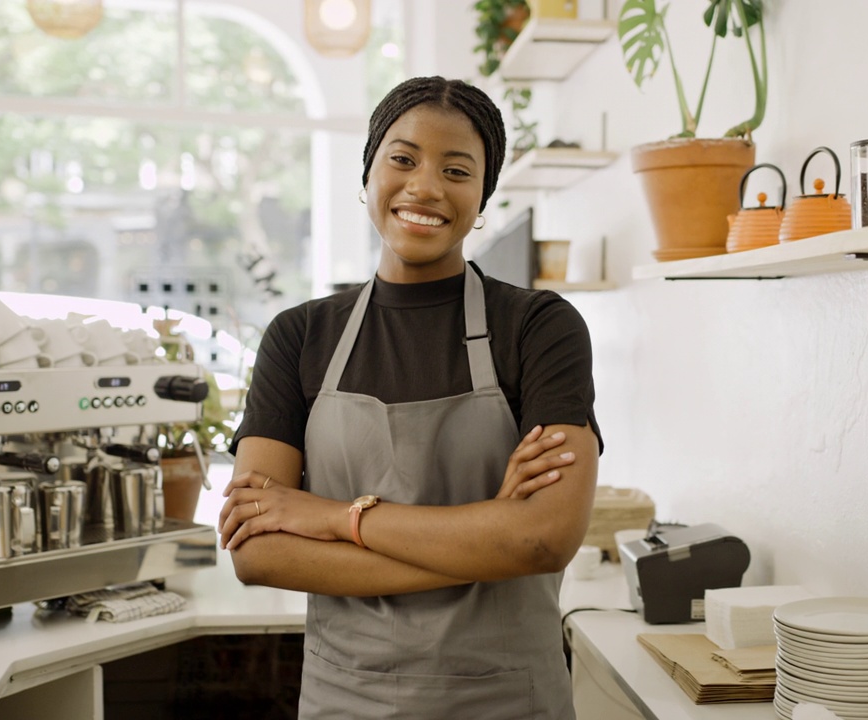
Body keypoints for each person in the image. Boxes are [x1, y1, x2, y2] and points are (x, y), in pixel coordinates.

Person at [219, 75, 603, 719]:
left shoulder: (540, 326)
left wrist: (331, 518)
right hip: (347, 699)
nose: (425, 186)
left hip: (507, 699)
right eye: (402, 159)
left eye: (457, 169)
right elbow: (257, 552)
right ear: (367, 173)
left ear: (483, 198)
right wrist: (488, 543)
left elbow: (543, 541)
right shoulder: (300, 336)